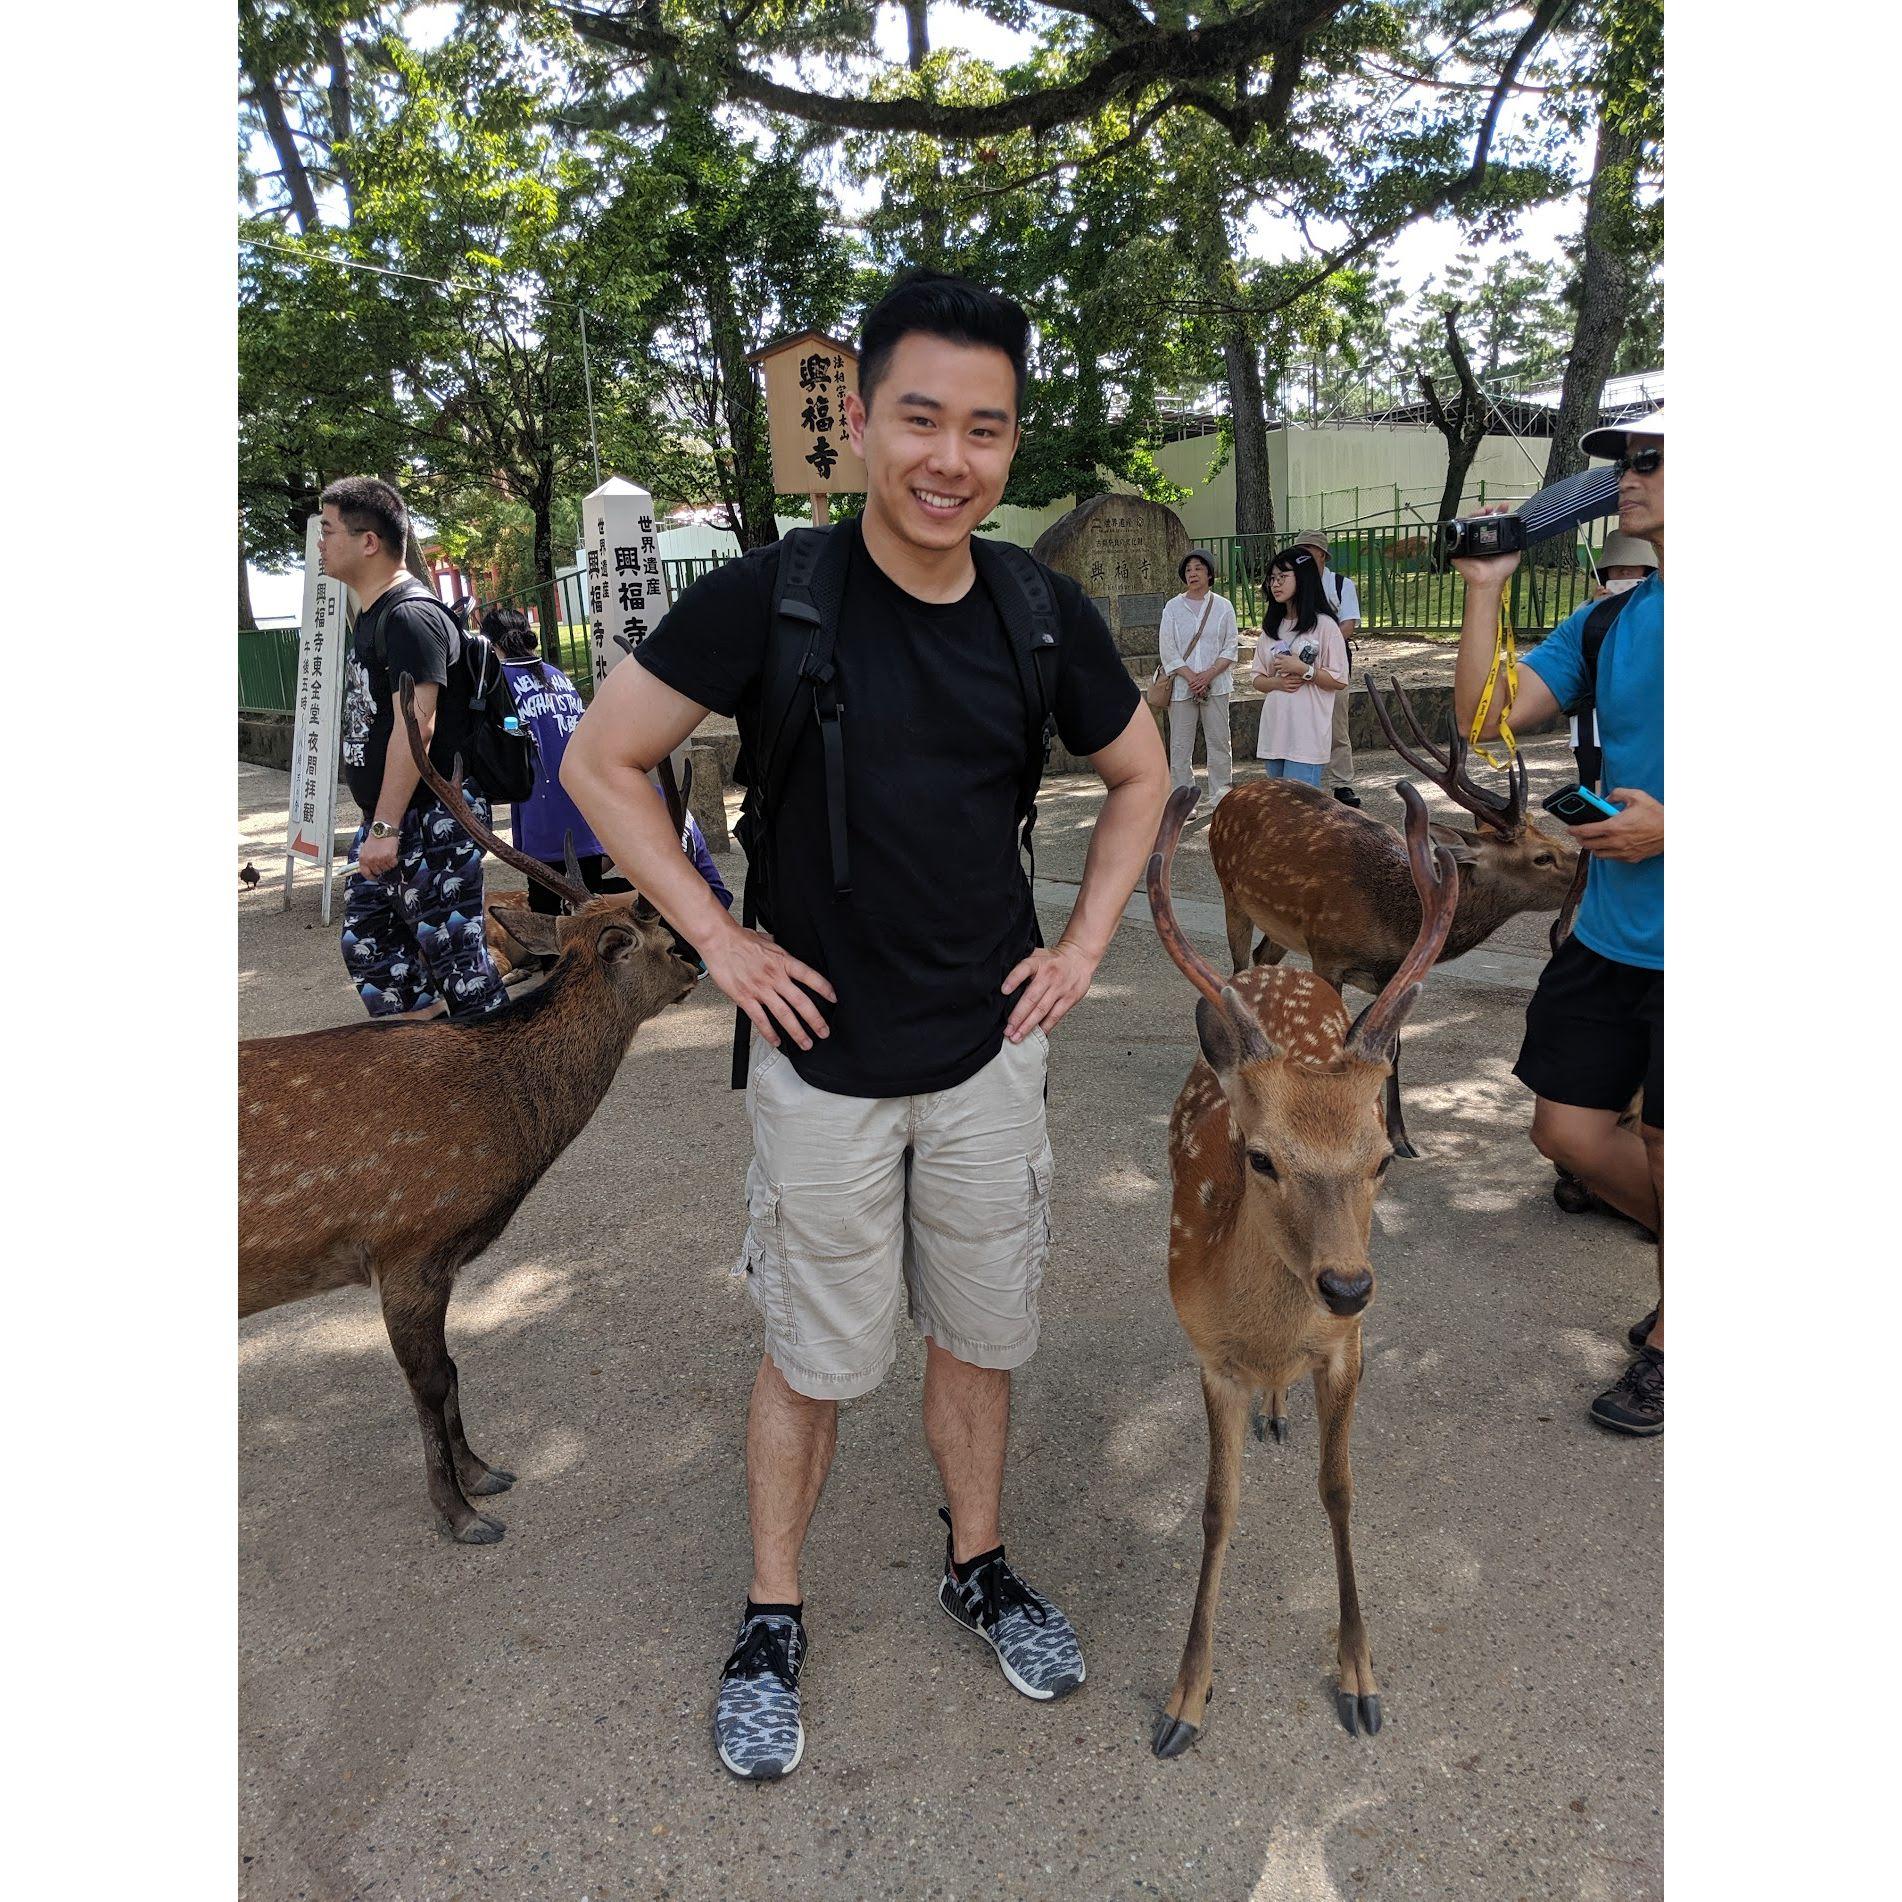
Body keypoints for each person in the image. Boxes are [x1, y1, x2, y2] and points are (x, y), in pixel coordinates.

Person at [561, 270, 1169, 1782]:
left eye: (986, 428)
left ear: (1011, 440)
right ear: (867, 420)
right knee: (814, 1354)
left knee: (981, 1333)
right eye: (921, 418)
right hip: (821, 1064)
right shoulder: (773, 597)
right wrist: (718, 939)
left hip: (985, 1057)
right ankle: (773, 1612)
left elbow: (1142, 775)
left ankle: (979, 1561)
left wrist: (1083, 945)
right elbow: (601, 760)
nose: (951, 459)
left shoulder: (1036, 608)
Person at [1453, 410, 1664, 1436]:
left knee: (1669, 1144)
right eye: (1628, 460)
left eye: (1654, 459)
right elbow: (1484, 716)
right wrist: (1484, 585)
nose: (1631, 475)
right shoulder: (1611, 622)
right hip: (1614, 933)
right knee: (1567, 1131)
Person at [324, 477, 507, 1022]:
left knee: (460, 968)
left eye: (328, 530)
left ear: (368, 542)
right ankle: (429, 1057)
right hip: (396, 816)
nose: (319, 543)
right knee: (371, 942)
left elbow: (417, 728)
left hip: (429, 819)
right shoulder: (375, 614)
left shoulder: (410, 617)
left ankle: (500, 1069)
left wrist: (384, 827)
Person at [487, 607, 732, 924]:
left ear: (492, 643)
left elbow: (507, 735)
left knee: (546, 900)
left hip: (540, 803)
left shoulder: (500, 681)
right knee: (588, 898)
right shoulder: (558, 677)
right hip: (580, 795)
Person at [1249, 544, 1350, 786]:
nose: (1275, 584)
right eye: (1272, 578)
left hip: (1307, 739)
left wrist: (1305, 670)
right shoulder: (1271, 629)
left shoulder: (1325, 626)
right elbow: (1257, 678)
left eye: (1282, 577)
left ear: (1303, 578)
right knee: (1279, 806)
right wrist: (1277, 683)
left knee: (1301, 807)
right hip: (1274, 735)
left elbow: (1339, 679)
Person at [1157, 549, 1239, 808]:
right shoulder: (1173, 607)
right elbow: (1167, 648)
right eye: (1188, 569)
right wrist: (1192, 676)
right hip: (1183, 686)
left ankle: (1222, 796)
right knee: (1180, 746)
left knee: (1219, 742)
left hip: (1217, 684)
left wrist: (1209, 674)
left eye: (1198, 568)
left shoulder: (1223, 606)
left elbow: (1230, 646)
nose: (1192, 573)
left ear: (1210, 574)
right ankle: (1183, 800)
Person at [1293, 530, 1363, 806]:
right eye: (1299, 552)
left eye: (1308, 551)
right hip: (1298, 663)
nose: (1302, 557)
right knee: (1303, 724)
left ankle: (1342, 783)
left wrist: (1321, 648)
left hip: (1333, 663)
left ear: (1322, 555)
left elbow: (1348, 625)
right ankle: (1305, 783)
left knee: (1336, 723)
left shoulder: (1341, 585)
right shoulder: (1292, 584)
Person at [1591, 529, 1657, 598]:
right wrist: (1596, 603)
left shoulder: (1658, 600)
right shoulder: (1595, 601)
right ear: (1606, 570)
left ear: (1646, 569)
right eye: (1616, 565)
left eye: (1633, 565)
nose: (1625, 571)